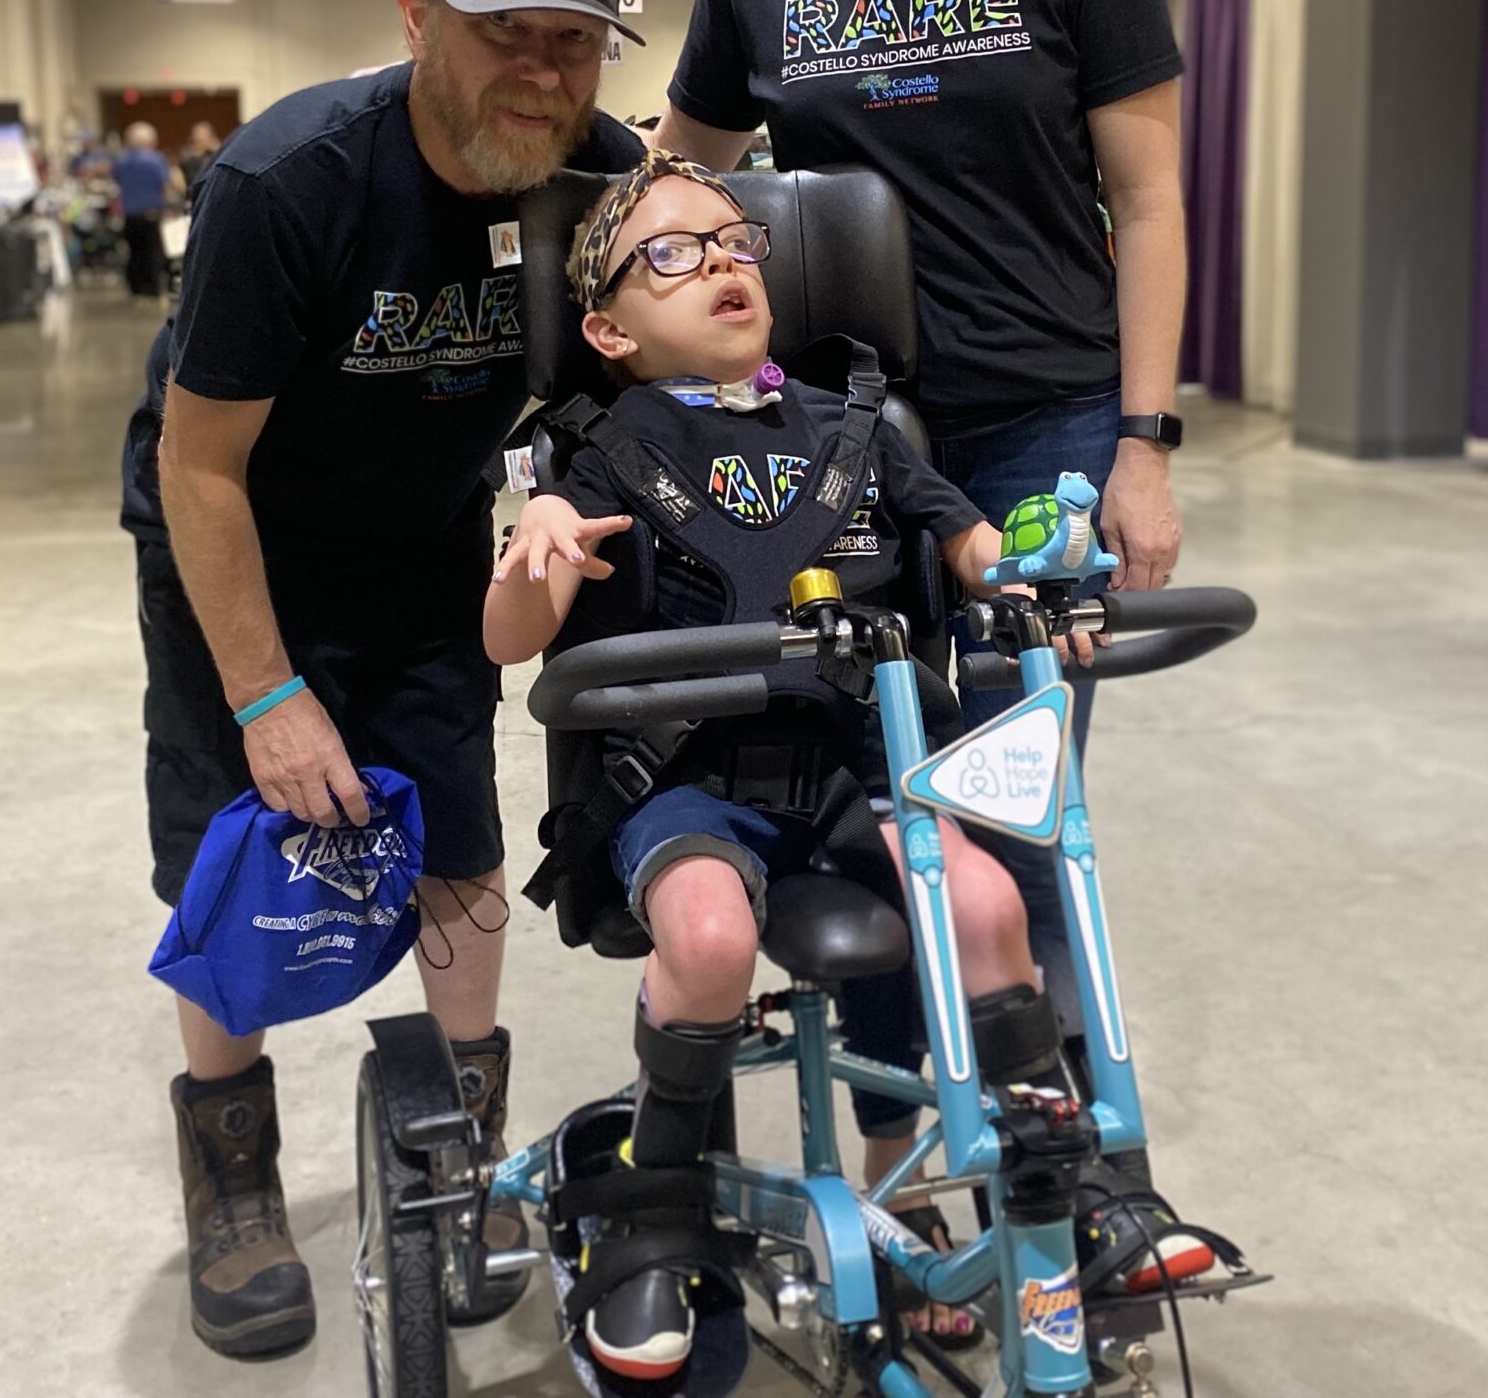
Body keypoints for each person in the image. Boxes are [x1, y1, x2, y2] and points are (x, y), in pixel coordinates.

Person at [485, 154, 1213, 1384]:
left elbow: (975, 549)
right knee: (708, 938)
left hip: (855, 774)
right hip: (685, 784)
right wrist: (534, 543)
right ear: (605, 327)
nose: (719, 259)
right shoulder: (595, 451)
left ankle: (1063, 1170)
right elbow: (513, 641)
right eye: (672, 251)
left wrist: (1040, 578)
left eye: (732, 240)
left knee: (988, 901)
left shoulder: (861, 430)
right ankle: (655, 1199)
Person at [650, 0, 1189, 1052]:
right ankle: (902, 1128)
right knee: (872, 790)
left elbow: (1147, 200)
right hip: (849, 445)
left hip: (1042, 425)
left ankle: (1042, 1127)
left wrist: (1145, 439)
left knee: (1012, 786)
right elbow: (670, 176)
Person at [118, 0, 648, 1357]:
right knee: (242, 853)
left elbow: (618, 381)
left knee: (460, 845)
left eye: (576, 38)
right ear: (418, 13)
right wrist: (270, 696)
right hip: (235, 540)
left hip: (424, 537)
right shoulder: (290, 182)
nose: (543, 71)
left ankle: (460, 1160)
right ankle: (233, 1191)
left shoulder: (598, 178)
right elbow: (201, 463)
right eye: (509, 30)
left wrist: (554, 481)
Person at [112, 121, 176, 300]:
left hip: (130, 214)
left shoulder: (121, 161)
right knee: (153, 252)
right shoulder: (156, 160)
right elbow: (165, 185)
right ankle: (153, 288)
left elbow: (117, 180)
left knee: (134, 252)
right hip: (151, 213)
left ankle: (135, 288)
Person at [178, 119, 224, 203]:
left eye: (204, 135)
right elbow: (192, 179)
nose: (200, 138)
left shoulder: (217, 152)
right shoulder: (189, 156)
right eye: (197, 135)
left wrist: (215, 149)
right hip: (196, 198)